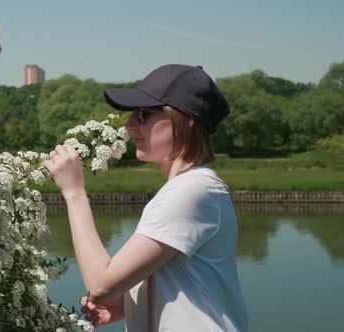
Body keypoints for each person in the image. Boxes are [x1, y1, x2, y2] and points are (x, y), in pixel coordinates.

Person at [42, 64, 249, 331]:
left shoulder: (192, 191)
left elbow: (101, 284)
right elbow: (177, 278)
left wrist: (74, 193)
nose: (129, 126)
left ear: (186, 121)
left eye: (143, 115)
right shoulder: (189, 187)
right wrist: (128, 306)